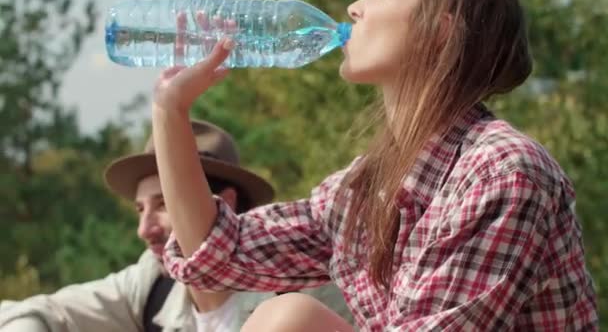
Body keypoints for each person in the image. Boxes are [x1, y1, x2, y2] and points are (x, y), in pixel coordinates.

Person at [150, 0, 598, 331]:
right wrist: (170, 111)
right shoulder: (366, 187)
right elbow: (218, 253)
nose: (354, 8)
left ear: (439, 30)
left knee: (289, 321)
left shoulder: (503, 171)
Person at [0, 120, 352, 331]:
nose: (145, 228)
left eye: (164, 204)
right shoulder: (153, 284)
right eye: (140, 209)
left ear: (225, 203)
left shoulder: (304, 287)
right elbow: (40, 311)